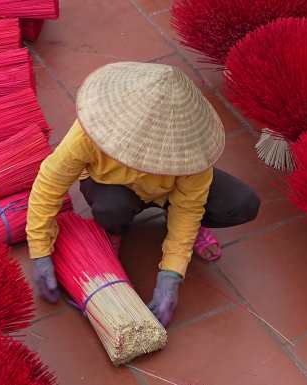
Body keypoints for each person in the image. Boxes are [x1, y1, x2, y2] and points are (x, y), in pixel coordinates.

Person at [26, 62, 260, 326]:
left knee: (242, 203)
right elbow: (49, 184)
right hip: (110, 188)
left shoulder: (192, 153)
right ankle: (115, 228)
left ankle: (187, 229)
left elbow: (189, 207)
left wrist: (171, 275)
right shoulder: (90, 132)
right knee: (111, 208)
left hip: (169, 194)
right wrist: (41, 252)